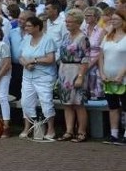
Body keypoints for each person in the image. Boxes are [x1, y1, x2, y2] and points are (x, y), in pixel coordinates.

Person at [18, 16, 58, 140]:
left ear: (37, 27)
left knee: (46, 102)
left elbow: (51, 59)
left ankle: (51, 129)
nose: (26, 28)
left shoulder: (48, 39)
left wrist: (34, 61)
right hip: (27, 76)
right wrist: (25, 63)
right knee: (25, 102)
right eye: (26, 26)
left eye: (29, 26)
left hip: (44, 77)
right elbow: (20, 56)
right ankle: (27, 127)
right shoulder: (26, 39)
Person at [56, 9, 90, 142]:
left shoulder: (83, 38)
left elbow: (85, 59)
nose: (67, 24)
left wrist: (81, 76)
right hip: (64, 70)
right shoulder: (65, 36)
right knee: (67, 103)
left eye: (70, 22)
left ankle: (81, 131)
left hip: (76, 70)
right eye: (66, 21)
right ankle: (69, 130)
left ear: (78, 23)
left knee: (78, 103)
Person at [98, 7, 126, 144]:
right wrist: (102, 73)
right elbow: (101, 56)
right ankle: (113, 134)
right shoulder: (107, 37)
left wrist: (121, 74)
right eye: (112, 19)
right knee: (113, 106)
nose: (112, 21)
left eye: (116, 19)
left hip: (123, 78)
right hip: (109, 78)